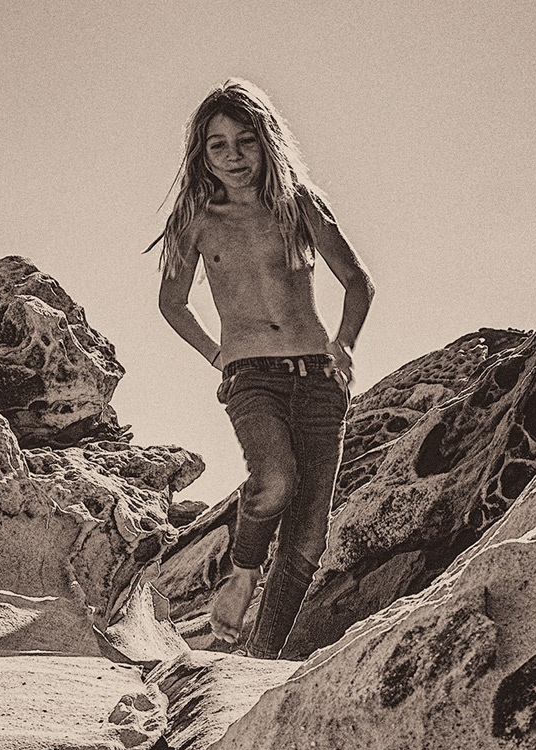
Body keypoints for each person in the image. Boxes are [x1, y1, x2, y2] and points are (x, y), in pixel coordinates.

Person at [154, 79, 375, 657]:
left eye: (245, 141)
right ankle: (242, 573)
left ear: (266, 141)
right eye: (217, 146)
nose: (233, 157)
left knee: (307, 541)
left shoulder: (299, 205)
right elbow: (171, 302)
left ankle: (259, 660)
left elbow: (357, 281)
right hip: (251, 377)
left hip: (319, 380)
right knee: (274, 481)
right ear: (201, 155)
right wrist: (215, 353)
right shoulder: (196, 220)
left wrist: (344, 345)